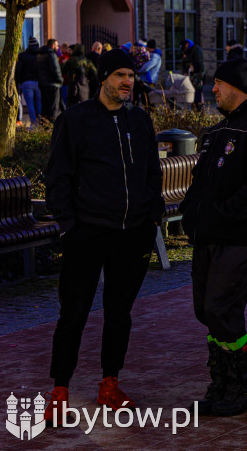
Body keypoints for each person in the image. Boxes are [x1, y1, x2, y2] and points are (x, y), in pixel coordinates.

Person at [42, 49, 164, 423]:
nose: (128, 81)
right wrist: (69, 226)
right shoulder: (77, 121)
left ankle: (109, 383)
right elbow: (58, 176)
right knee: (74, 312)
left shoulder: (139, 121)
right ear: (104, 78)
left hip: (132, 235)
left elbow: (151, 174)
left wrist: (151, 218)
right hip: (87, 234)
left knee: (119, 313)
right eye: (120, 75)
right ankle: (59, 389)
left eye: (131, 75)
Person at [181, 59, 247, 416]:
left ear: (236, 87)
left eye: (218, 84)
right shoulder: (218, 132)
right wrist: (192, 218)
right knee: (206, 311)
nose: (213, 90)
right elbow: (200, 183)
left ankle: (246, 385)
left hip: (240, 239)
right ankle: (221, 384)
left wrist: (224, 216)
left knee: (221, 309)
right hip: (209, 237)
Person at [15, 36, 41, 127]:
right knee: (38, 104)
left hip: (26, 82)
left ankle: (33, 124)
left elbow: (18, 70)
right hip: (38, 82)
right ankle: (40, 122)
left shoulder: (22, 56)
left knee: (30, 105)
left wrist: (18, 81)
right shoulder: (39, 55)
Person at [36, 39, 63, 120]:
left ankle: (45, 126)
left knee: (45, 106)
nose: (58, 48)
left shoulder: (39, 55)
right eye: (57, 45)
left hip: (43, 84)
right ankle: (52, 126)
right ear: (53, 46)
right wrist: (60, 80)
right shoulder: (51, 55)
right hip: (53, 84)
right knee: (53, 108)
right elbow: (55, 69)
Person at [181, 39, 206, 110]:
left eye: (184, 48)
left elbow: (199, 63)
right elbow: (183, 62)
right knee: (193, 90)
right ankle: (195, 106)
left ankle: (198, 107)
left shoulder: (196, 50)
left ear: (187, 44)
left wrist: (193, 68)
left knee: (197, 90)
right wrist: (185, 71)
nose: (184, 50)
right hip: (191, 74)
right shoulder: (187, 51)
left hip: (197, 74)